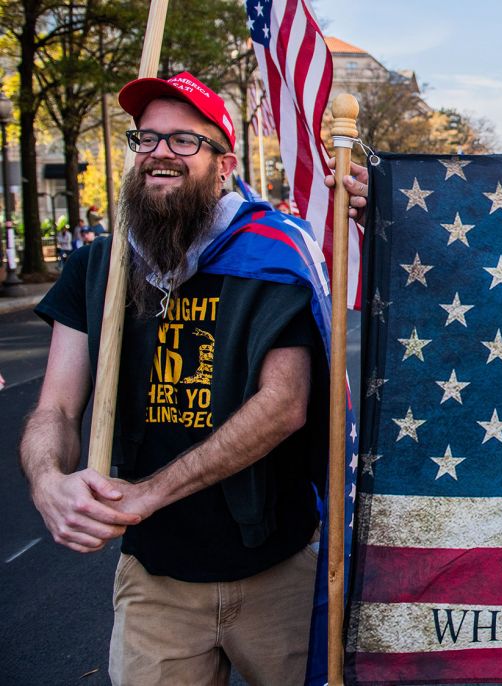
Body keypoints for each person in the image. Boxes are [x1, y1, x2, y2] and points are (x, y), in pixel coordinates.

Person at [19, 71, 365, 685]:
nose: (160, 153)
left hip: (277, 572)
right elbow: (57, 408)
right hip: (156, 583)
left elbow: (285, 404)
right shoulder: (98, 266)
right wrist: (49, 482)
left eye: (184, 141)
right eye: (146, 139)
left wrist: (146, 493)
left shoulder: (271, 256)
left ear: (224, 164)